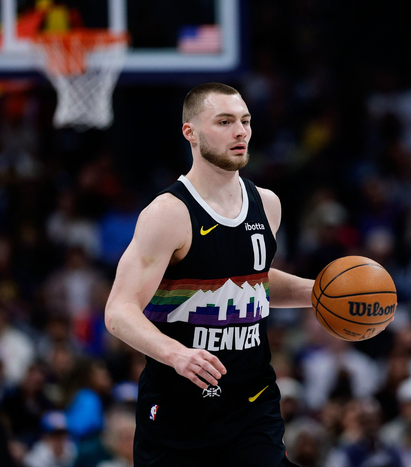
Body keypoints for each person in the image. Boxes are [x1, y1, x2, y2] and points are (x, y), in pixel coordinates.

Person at [104, 82, 314, 466]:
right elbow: (119, 310)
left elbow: (252, 282)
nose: (240, 131)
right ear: (191, 132)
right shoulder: (168, 213)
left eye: (245, 121)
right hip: (177, 411)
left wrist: (320, 294)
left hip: (252, 404)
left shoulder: (267, 204)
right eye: (224, 121)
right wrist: (176, 353)